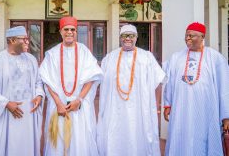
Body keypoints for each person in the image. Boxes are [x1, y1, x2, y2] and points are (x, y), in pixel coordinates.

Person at [97, 24, 166, 156]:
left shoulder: (147, 57)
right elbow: (100, 82)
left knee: (139, 137)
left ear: (136, 37)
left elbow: (159, 82)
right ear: (120, 38)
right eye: (124, 35)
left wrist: (156, 106)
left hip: (140, 110)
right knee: (115, 137)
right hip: (115, 111)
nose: (127, 38)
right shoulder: (110, 58)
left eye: (131, 35)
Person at [40, 16, 103, 156]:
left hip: (79, 106)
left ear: (76, 32)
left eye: (72, 30)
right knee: (58, 139)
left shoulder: (84, 51)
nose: (69, 32)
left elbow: (91, 79)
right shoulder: (52, 54)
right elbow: (47, 80)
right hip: (58, 106)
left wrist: (78, 100)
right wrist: (58, 103)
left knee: (80, 139)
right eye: (66, 29)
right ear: (60, 32)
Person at [163, 22, 229, 155]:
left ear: (202, 37)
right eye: (186, 36)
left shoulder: (215, 58)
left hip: (206, 110)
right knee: (180, 140)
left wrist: (225, 116)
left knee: (204, 140)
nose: (187, 38)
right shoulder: (176, 57)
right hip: (181, 110)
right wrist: (167, 104)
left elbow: (224, 88)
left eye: (191, 36)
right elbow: (169, 81)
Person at [0, 26, 44, 156]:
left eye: (27, 39)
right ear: (12, 40)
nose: (27, 42)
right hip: (5, 114)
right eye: (24, 39)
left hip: (28, 114)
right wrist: (6, 103)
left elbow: (38, 81)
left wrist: (39, 95)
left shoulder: (31, 59)